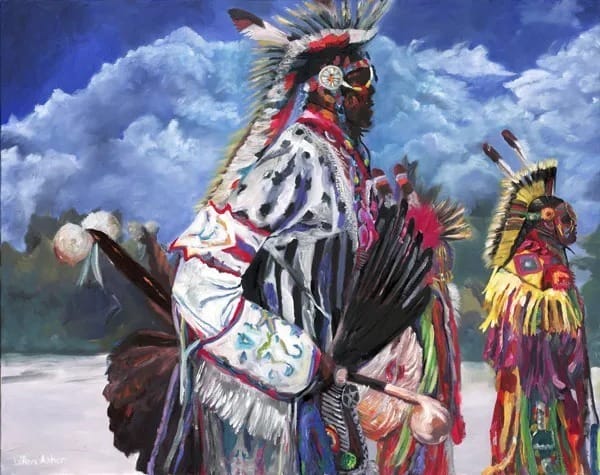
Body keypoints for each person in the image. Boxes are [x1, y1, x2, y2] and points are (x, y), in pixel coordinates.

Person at [166, 1, 443, 474]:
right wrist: (296, 360)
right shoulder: (299, 157)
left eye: (370, 74)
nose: (372, 88)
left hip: (328, 400)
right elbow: (200, 279)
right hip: (275, 413)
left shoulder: (347, 161)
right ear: (328, 83)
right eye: (360, 77)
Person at [480, 131, 599, 474]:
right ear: (545, 220)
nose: (570, 227)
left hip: (562, 380)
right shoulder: (524, 261)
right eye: (564, 219)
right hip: (534, 382)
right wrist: (554, 301)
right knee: (539, 449)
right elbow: (521, 315)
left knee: (568, 440)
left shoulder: (553, 259)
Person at [356, 161, 469, 474]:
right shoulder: (397, 290)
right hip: (405, 372)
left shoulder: (438, 296)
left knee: (431, 439)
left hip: (432, 364)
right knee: (401, 445)